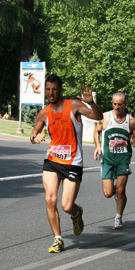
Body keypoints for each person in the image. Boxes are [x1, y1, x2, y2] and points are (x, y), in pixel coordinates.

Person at [30, 75, 103, 253]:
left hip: (73, 162)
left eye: (54, 89)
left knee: (66, 206)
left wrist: (91, 103)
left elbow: (98, 116)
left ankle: (77, 213)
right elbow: (33, 133)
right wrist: (35, 137)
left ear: (61, 90)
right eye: (47, 89)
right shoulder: (44, 112)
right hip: (52, 160)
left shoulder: (74, 106)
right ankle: (58, 238)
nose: (50, 93)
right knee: (50, 199)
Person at [94, 92, 135, 229]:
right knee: (108, 193)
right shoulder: (105, 117)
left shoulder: (131, 121)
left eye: (120, 104)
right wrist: (98, 146)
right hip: (108, 159)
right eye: (114, 104)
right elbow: (96, 131)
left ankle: (118, 217)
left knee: (121, 190)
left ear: (125, 104)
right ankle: (117, 196)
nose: (116, 107)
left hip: (123, 159)